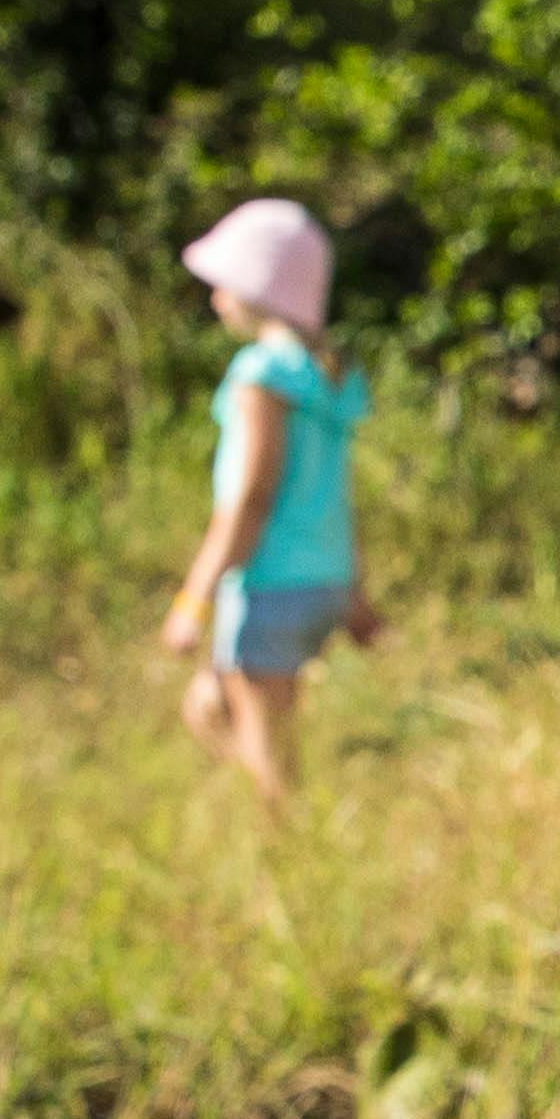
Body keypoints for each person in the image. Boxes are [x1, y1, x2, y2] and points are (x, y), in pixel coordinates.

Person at [161, 194, 379, 801]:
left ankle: (287, 847)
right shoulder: (328, 374)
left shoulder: (261, 375)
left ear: (259, 285)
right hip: (323, 583)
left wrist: (193, 599)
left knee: (268, 763)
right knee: (208, 705)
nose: (215, 297)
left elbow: (251, 498)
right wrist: (355, 592)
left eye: (225, 282)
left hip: (269, 589)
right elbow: (336, 500)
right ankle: (285, 824)